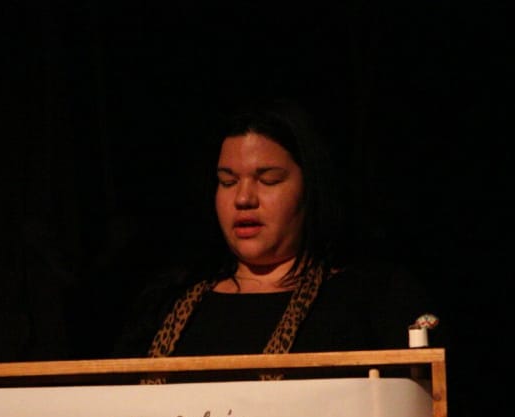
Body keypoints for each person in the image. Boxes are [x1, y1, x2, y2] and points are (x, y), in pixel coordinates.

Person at [111, 96, 443, 362]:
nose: (243, 198)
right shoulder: (166, 302)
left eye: (268, 180)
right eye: (228, 182)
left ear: (310, 189)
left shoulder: (372, 300)